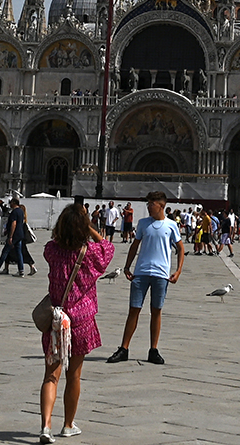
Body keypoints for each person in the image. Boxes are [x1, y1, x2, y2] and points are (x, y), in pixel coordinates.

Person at [38, 202, 113, 444]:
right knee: (74, 376)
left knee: (51, 375)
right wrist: (89, 227)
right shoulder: (90, 254)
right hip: (80, 323)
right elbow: (108, 248)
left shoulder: (52, 250)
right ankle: (68, 425)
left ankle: (46, 427)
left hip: (56, 321)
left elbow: (51, 244)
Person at [109, 190, 184, 365]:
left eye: (152, 203)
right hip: (141, 272)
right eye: (148, 203)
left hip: (161, 273)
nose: (149, 206)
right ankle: (124, 348)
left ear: (162, 205)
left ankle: (153, 349)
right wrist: (127, 266)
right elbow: (134, 246)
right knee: (134, 310)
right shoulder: (143, 223)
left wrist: (178, 270)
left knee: (156, 311)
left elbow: (180, 248)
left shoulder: (171, 225)